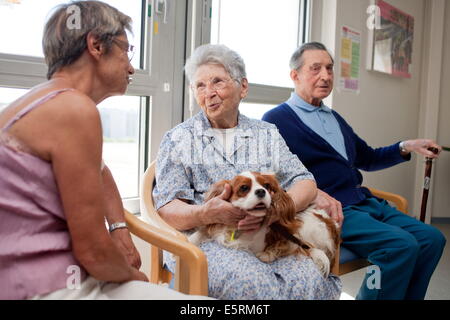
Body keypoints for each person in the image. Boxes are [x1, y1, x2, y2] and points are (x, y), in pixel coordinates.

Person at [0, 1, 208, 300]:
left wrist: (119, 226)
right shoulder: (73, 109)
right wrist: (135, 276)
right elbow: (93, 252)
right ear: (96, 45)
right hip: (45, 287)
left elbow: (99, 171)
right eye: (126, 49)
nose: (131, 65)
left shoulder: (40, 102)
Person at [152, 43, 342, 300]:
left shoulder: (266, 133)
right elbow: (167, 207)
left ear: (243, 87)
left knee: (308, 275)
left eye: (218, 82)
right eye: (200, 85)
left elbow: (305, 181)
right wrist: (205, 213)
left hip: (268, 236)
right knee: (253, 283)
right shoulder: (179, 139)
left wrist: (275, 212)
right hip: (207, 241)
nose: (209, 93)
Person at [262, 42, 446, 300]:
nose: (325, 76)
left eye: (329, 68)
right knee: (400, 246)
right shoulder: (275, 120)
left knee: (432, 239)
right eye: (315, 69)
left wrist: (407, 146)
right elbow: (269, 180)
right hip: (332, 210)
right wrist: (312, 194)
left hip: (363, 201)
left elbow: (368, 157)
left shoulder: (333, 117)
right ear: (295, 75)